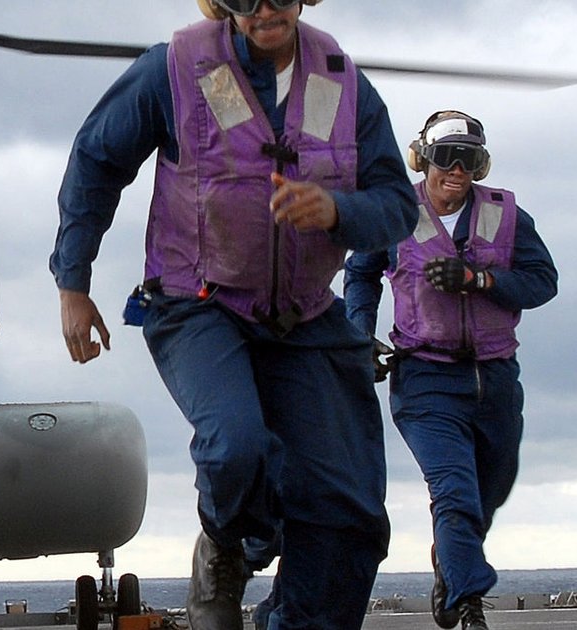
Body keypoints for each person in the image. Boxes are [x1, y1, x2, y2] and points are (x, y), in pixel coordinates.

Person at [49, 0, 418, 627]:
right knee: (234, 447)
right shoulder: (172, 70)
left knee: (347, 507)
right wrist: (73, 281)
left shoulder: (344, 85)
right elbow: (97, 160)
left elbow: (397, 205)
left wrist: (337, 211)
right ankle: (227, 545)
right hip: (197, 303)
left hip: (303, 316)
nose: (265, 10)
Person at [343, 111, 558, 630]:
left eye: (469, 160)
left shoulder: (508, 217)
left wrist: (482, 281)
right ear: (424, 161)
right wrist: (357, 338)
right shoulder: (394, 212)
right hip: (425, 379)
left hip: (497, 380)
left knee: (492, 488)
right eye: (447, 158)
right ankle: (468, 605)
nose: (456, 171)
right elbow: (361, 274)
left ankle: (451, 560)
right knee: (454, 490)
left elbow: (543, 281)